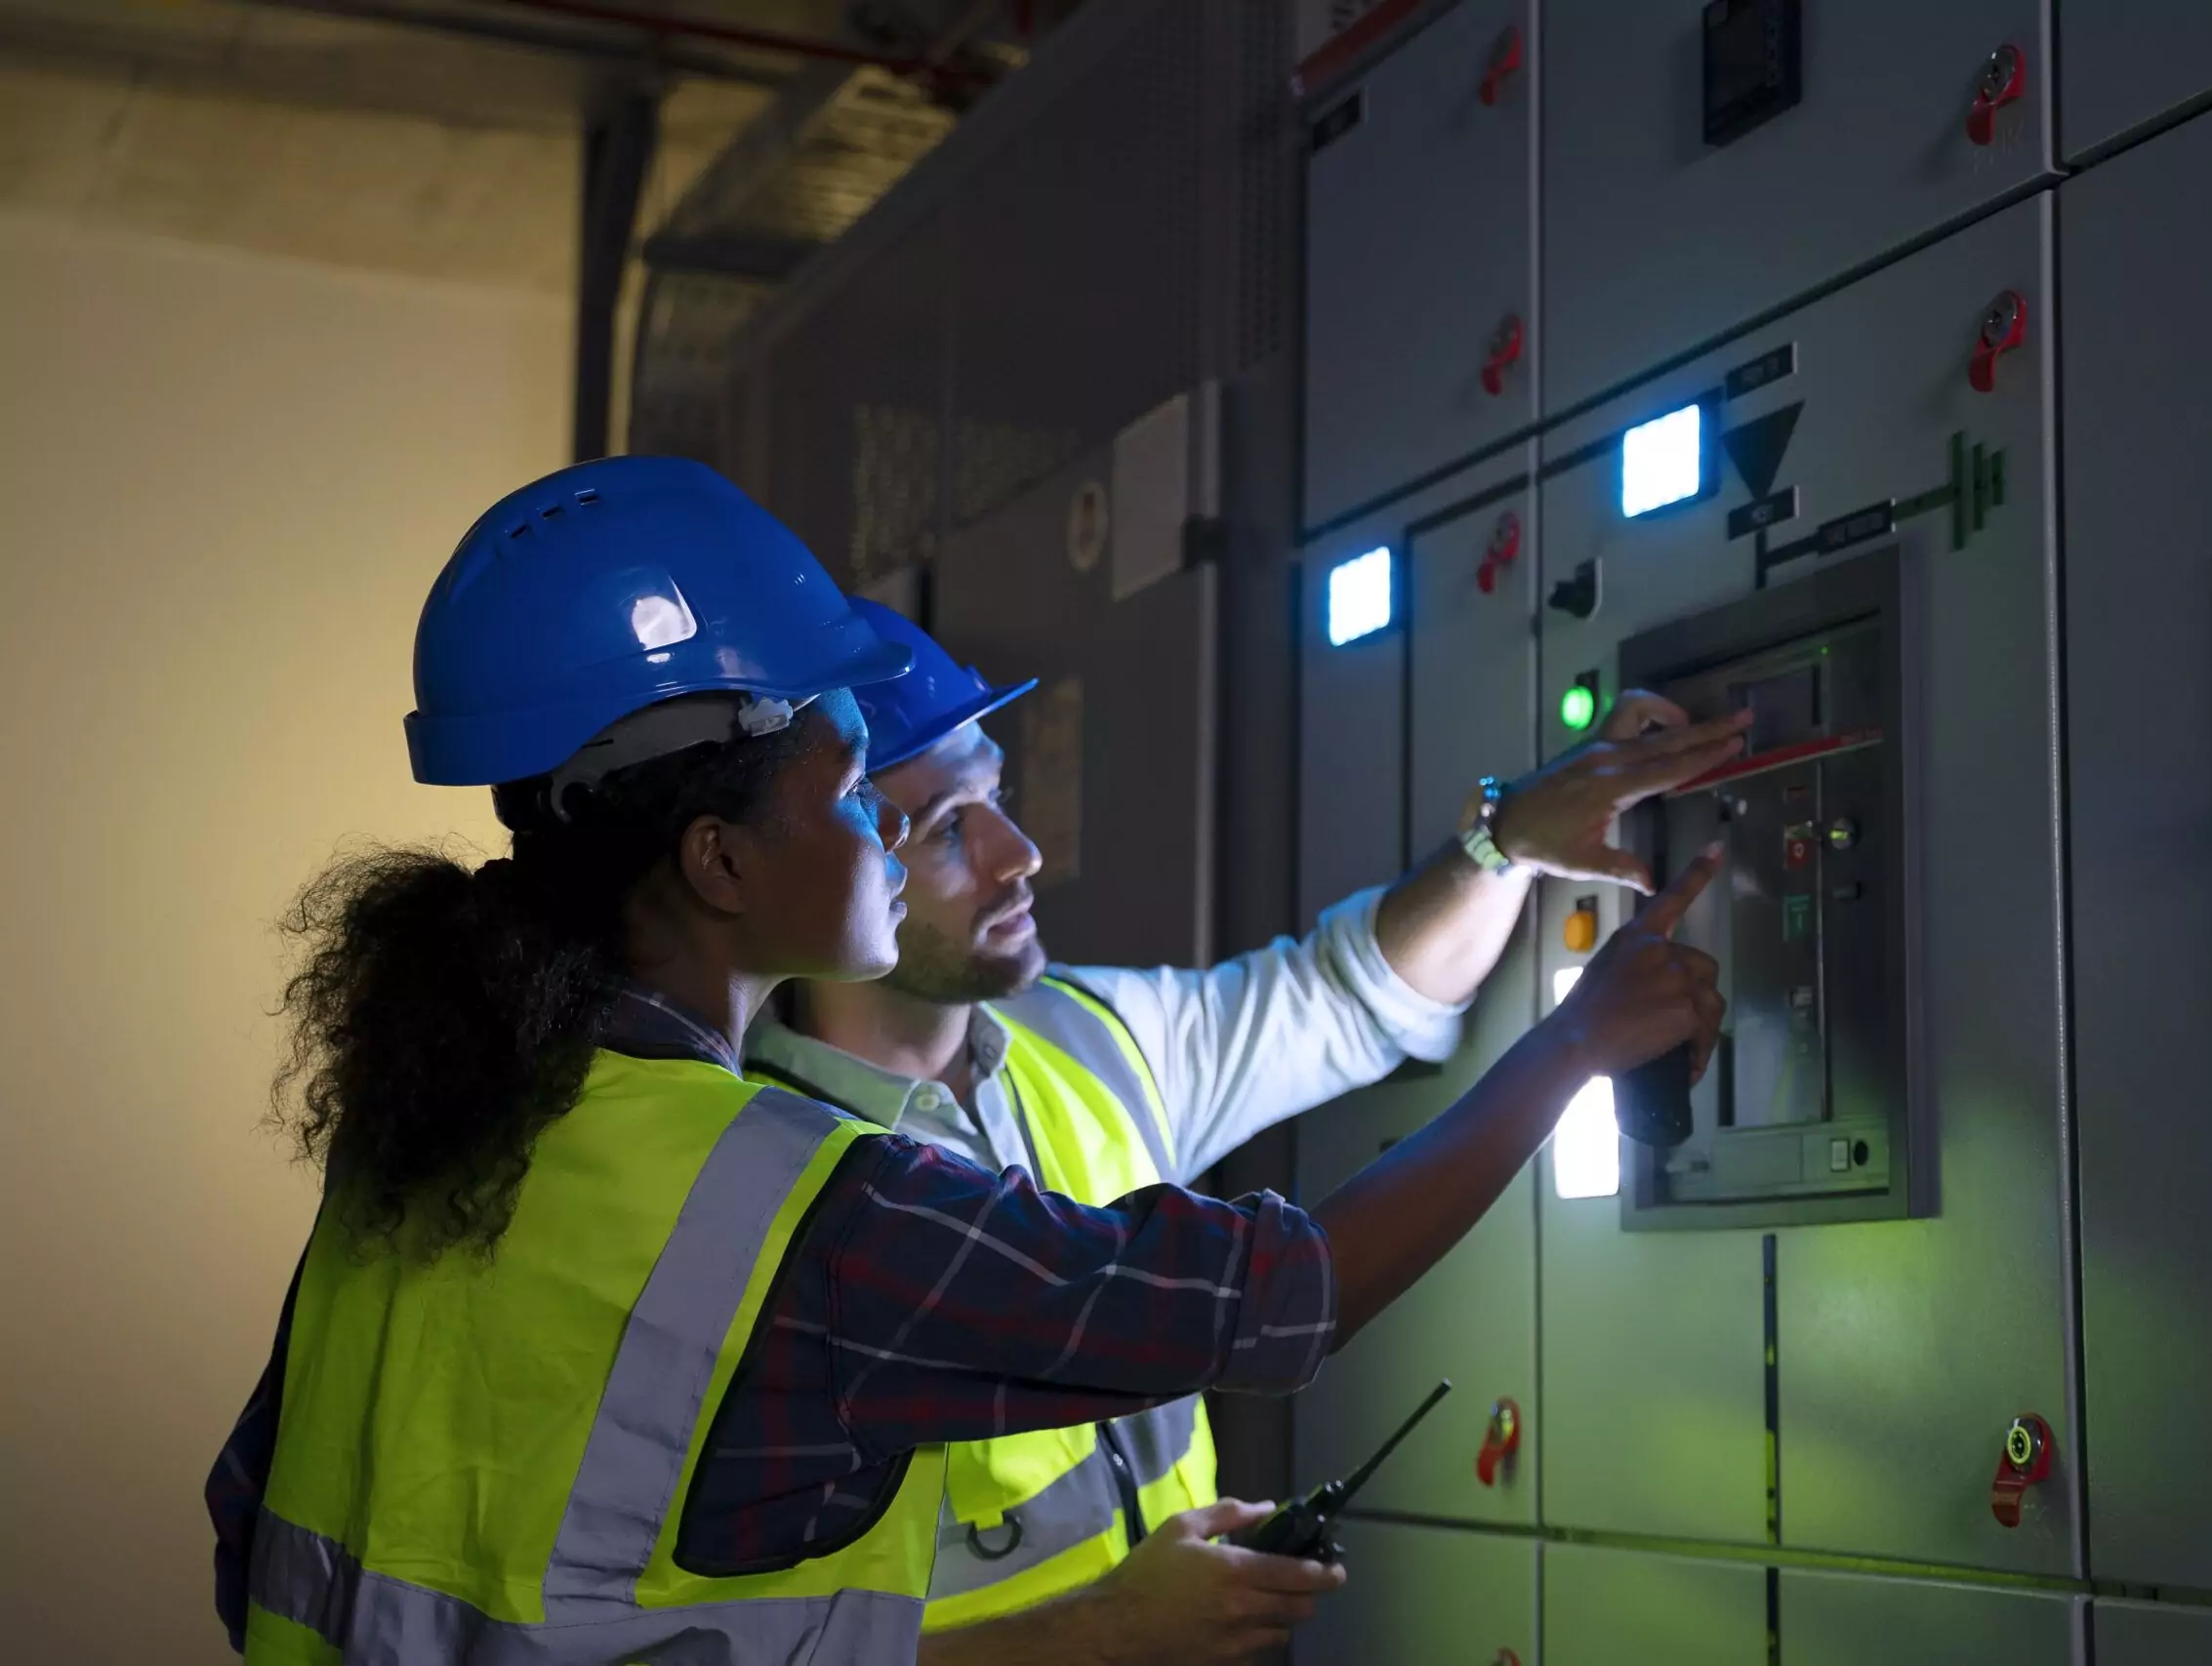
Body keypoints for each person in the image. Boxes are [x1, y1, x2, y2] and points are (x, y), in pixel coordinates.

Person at [205, 456, 1732, 1666]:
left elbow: (266, 1539)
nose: (975, 842)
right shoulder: (776, 1194)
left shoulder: (445, 1122)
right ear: (722, 860)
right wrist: (1581, 1042)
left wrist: (1505, 846)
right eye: (871, 795)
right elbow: (1277, 1300)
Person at [743, 601, 1750, 1662]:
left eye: (998, 794)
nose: (1019, 853)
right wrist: (1103, 1633)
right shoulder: (767, 1187)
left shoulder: (1083, 1037)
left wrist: (1500, 845)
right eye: (948, 826)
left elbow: (1344, 997)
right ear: (823, 865)